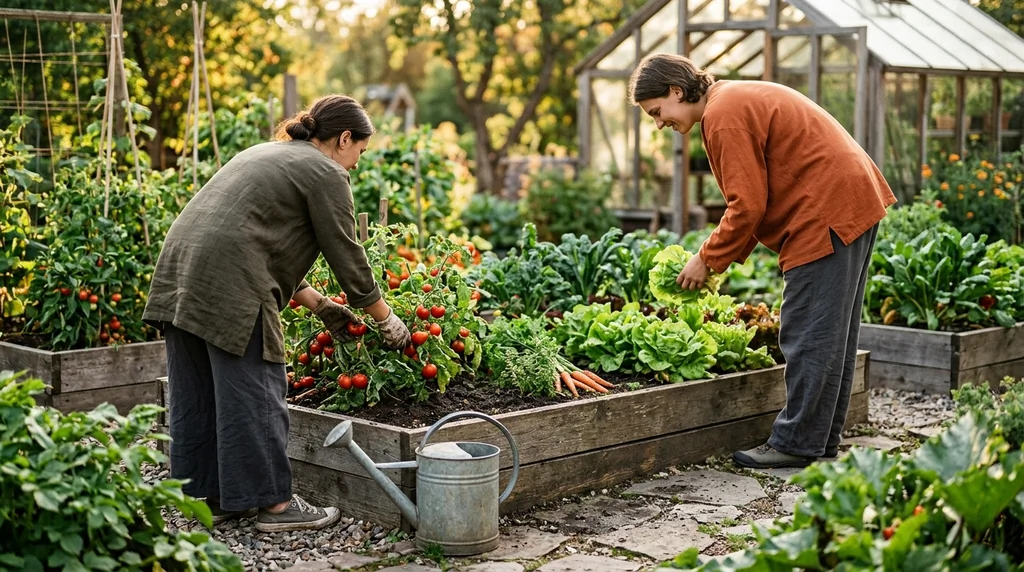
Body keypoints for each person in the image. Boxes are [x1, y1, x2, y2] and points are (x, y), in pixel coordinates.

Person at [143, 94, 411, 531]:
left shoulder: (268, 152)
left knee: (200, 390)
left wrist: (320, 305)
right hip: (231, 283)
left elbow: (249, 236)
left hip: (181, 274)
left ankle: (212, 498)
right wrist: (385, 318)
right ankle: (276, 507)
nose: (357, 163)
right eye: (359, 152)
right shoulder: (326, 172)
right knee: (256, 389)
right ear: (344, 138)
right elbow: (347, 254)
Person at [628, 54, 896, 469]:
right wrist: (722, 256)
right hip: (848, 201)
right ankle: (816, 441)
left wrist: (707, 259)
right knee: (832, 334)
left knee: (807, 331)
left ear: (676, 91)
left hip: (824, 212)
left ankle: (795, 442)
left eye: (657, 112)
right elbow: (760, 196)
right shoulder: (732, 99)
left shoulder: (723, 116)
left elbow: (747, 205)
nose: (659, 123)